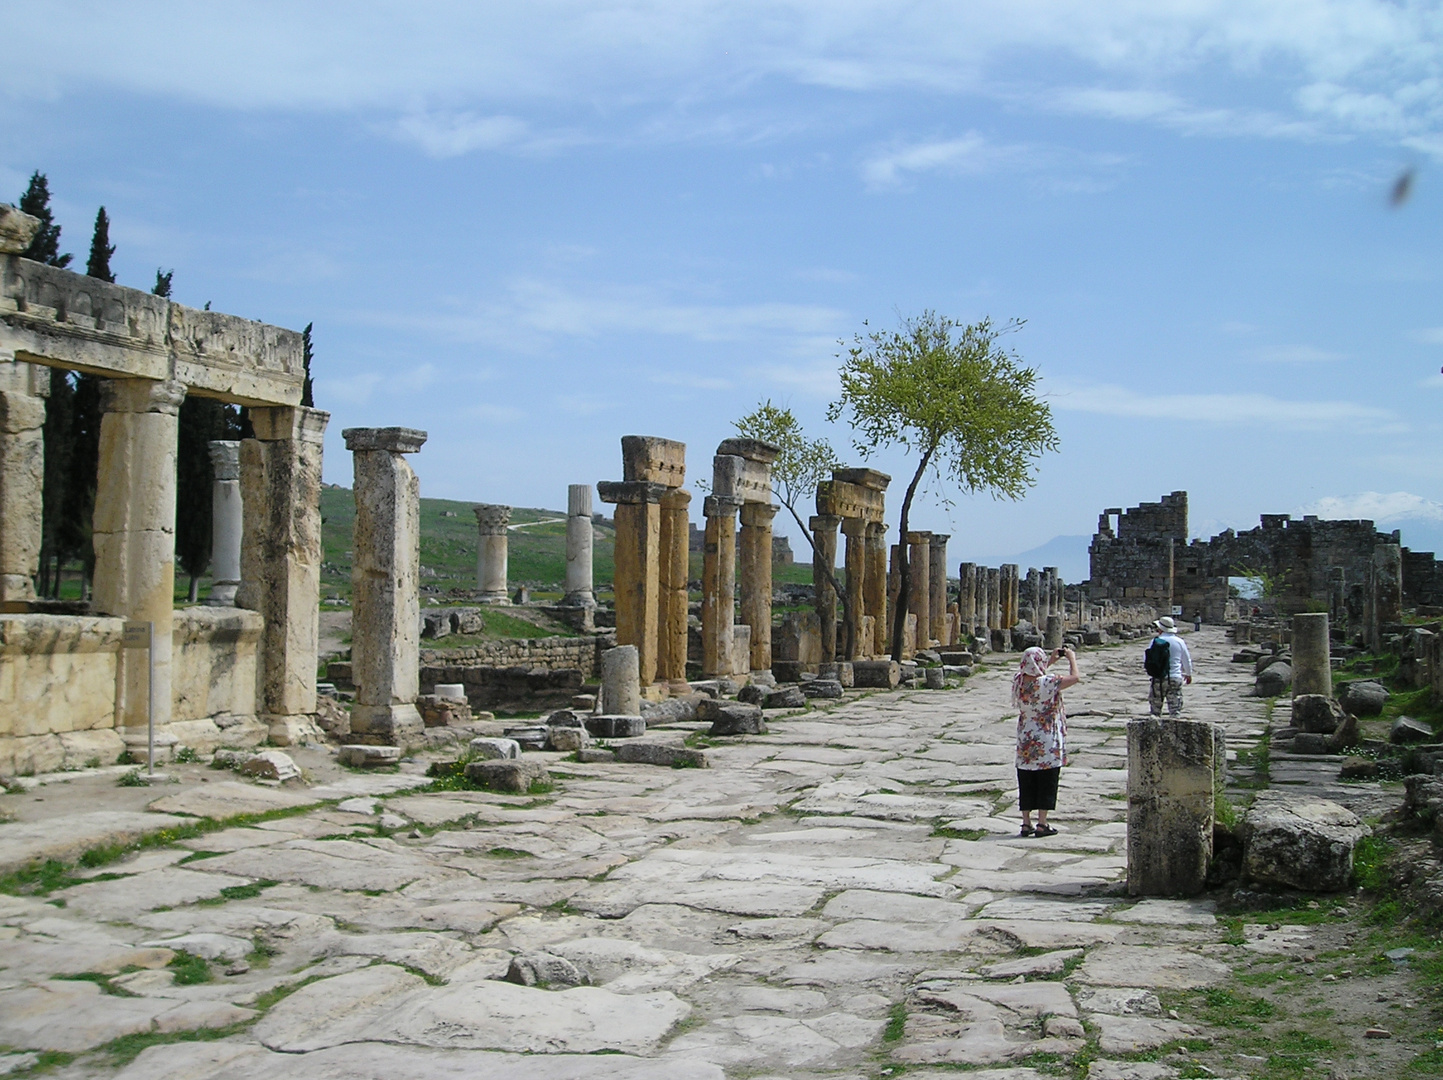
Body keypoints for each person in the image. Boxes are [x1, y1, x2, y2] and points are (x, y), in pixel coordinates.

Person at [1012, 645, 1080, 838]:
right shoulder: (1049, 683)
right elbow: (1075, 678)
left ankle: (1026, 823)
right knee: (1046, 778)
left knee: (1026, 777)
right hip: (1047, 737)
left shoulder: (1019, 681)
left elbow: (1035, 672)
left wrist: (1050, 660)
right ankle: (1042, 823)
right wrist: (1071, 659)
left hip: (1026, 736)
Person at [1147, 615, 1193, 717]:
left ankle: (1154, 728)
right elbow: (1186, 660)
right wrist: (1188, 674)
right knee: (1175, 707)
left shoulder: (1155, 641)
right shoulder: (1179, 642)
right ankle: (1175, 726)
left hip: (1159, 677)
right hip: (1175, 677)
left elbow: (1147, 659)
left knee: (1155, 707)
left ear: (1160, 629)